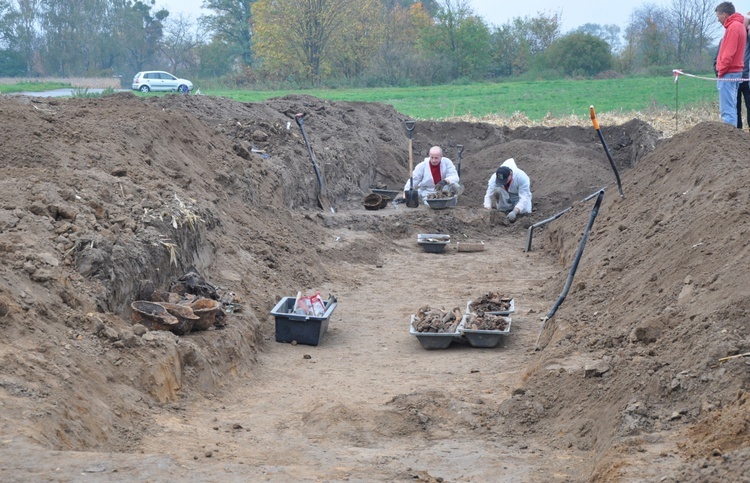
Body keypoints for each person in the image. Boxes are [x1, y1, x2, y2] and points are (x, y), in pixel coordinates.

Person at [715, 2, 747, 126]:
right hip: (735, 71)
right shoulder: (739, 26)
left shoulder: (733, 27)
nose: (718, 19)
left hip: (729, 73)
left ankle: (728, 139)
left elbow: (728, 53)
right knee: (732, 106)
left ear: (724, 14)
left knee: (727, 109)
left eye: (718, 16)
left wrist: (721, 71)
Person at [483, 158, 532, 222]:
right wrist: (488, 208)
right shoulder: (494, 177)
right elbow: (488, 195)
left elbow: (524, 197)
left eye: (504, 181)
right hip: (505, 194)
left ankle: (515, 211)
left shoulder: (521, 177)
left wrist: (515, 211)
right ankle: (504, 210)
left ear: (511, 174)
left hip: (517, 196)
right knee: (497, 190)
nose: (503, 183)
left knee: (525, 211)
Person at [737, 13, 750, 129]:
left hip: (747, 79)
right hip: (734, 78)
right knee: (736, 108)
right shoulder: (733, 36)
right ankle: (738, 132)